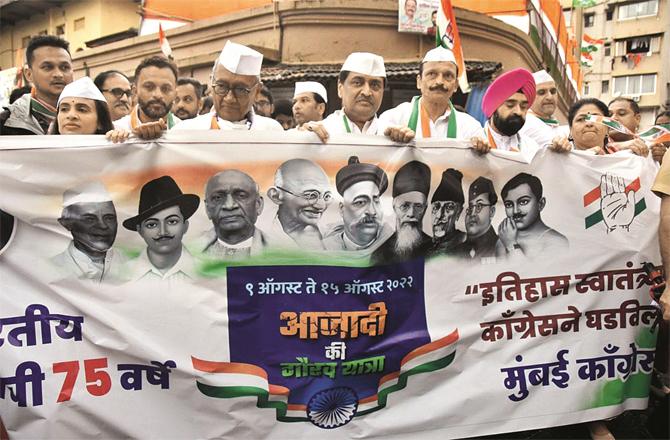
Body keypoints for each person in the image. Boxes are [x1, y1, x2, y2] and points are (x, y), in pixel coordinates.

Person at [379, 46, 484, 143]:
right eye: (432, 74)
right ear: (419, 81)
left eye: (448, 75)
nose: (439, 82)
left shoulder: (471, 128)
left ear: (456, 85)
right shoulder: (393, 119)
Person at [174, 41, 282, 131]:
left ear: (257, 91)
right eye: (222, 86)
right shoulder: (186, 132)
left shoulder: (272, 132)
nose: (229, 98)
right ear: (212, 83)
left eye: (240, 89)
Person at [123, 176, 200, 281]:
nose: (163, 232)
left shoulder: (205, 271)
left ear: (185, 226)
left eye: (172, 221)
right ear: (140, 230)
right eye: (152, 225)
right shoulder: (122, 274)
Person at [51, 181, 127, 283]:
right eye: (90, 219)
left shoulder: (132, 265)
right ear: (67, 223)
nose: (103, 225)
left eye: (109, 218)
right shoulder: (49, 270)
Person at [301, 52, 386, 141]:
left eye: (375, 85)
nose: (366, 92)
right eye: (357, 83)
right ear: (340, 88)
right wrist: (301, 140)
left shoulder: (392, 135)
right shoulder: (321, 132)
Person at [1, 35, 73, 135]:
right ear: (29, 74)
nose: (58, 74)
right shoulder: (5, 124)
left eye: (65, 67)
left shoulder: (95, 119)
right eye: (48, 67)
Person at [323, 156, 393, 254]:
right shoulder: (322, 250)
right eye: (360, 202)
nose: (372, 212)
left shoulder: (397, 248)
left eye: (376, 201)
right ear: (342, 209)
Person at [371, 161, 432, 265]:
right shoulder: (380, 255)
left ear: (425, 208)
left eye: (418, 206)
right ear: (394, 206)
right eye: (405, 206)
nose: (411, 213)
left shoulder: (435, 249)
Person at [495, 172, 568, 259]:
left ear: (541, 204)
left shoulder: (557, 242)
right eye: (509, 205)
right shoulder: (501, 242)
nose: (515, 211)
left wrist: (511, 245)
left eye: (523, 202)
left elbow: (529, 272)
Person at [109, 56, 180, 142]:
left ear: (175, 94)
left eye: (166, 89)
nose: (157, 95)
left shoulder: (184, 133)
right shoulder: (116, 131)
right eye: (149, 87)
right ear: (135, 91)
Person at [202, 170, 270, 259]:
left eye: (241, 196)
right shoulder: (189, 248)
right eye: (217, 198)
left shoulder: (283, 251)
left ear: (258, 205)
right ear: (208, 209)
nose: (229, 206)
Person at [267, 159, 332, 249]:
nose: (321, 206)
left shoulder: (333, 234)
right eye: (310, 195)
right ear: (276, 196)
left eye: (327, 196)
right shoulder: (262, 241)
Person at [550, 98, 648, 157]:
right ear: (570, 130)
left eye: (596, 119)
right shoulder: (561, 153)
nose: (589, 124)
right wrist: (556, 151)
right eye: (580, 119)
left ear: (607, 129)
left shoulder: (630, 156)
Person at [479, 68, 540, 159]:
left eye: (523, 107)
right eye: (510, 105)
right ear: (493, 107)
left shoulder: (531, 149)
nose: (518, 112)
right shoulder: (474, 141)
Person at [519, 70, 568, 148]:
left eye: (553, 91)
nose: (550, 97)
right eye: (541, 92)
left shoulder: (555, 125)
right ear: (528, 97)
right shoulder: (526, 123)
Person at [49, 76, 115, 135]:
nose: (71, 115)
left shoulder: (117, 146)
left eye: (82, 110)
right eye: (64, 109)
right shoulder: (42, 147)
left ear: (100, 122)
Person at [454, 176, 498, 263]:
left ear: (492, 211)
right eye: (470, 207)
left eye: (479, 206)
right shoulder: (455, 252)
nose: (472, 214)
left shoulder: (501, 248)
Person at [430, 168, 466, 255]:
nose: (439, 215)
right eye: (436, 206)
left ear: (459, 212)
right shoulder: (425, 247)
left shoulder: (465, 244)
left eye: (449, 207)